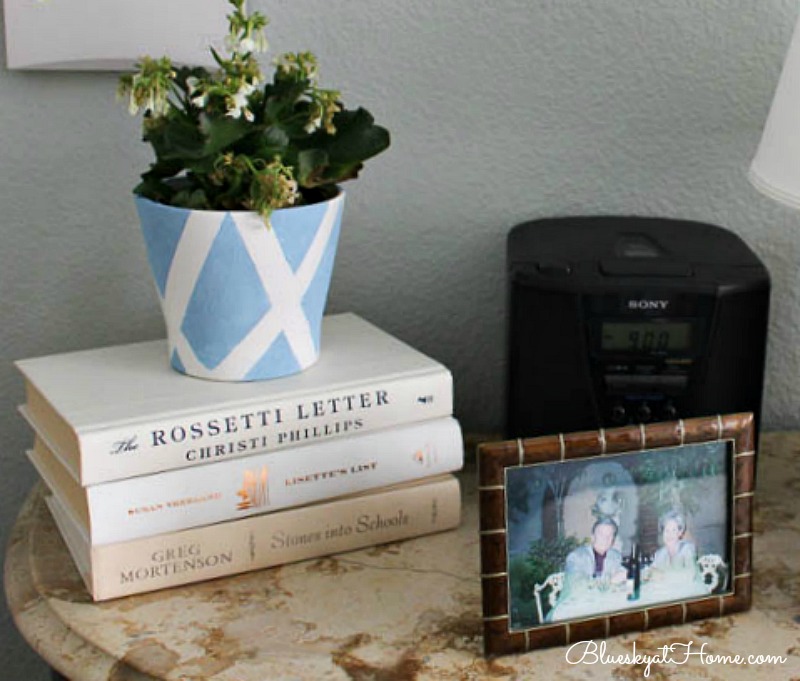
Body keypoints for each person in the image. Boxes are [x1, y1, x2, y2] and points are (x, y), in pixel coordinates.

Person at [563, 518, 627, 593]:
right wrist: (610, 581)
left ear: (613, 540)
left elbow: (621, 579)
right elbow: (576, 586)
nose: (605, 539)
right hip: (578, 602)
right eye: (601, 534)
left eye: (609, 535)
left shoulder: (615, 556)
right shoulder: (576, 557)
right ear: (592, 537)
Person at [649, 510, 697, 581]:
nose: (669, 535)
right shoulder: (660, 553)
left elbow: (691, 574)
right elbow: (650, 571)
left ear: (679, 533)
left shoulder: (687, 549)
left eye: (674, 530)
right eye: (667, 530)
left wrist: (663, 576)